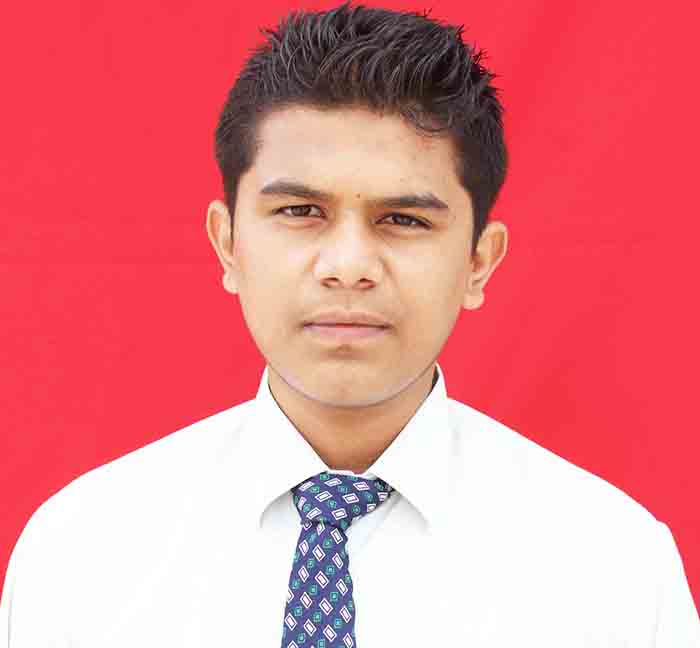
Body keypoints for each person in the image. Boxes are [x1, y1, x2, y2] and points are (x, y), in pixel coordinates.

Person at [1, 2, 699, 646]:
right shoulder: (81, 555)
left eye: (404, 219)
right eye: (300, 212)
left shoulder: (615, 570)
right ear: (228, 244)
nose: (348, 266)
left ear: (478, 262)